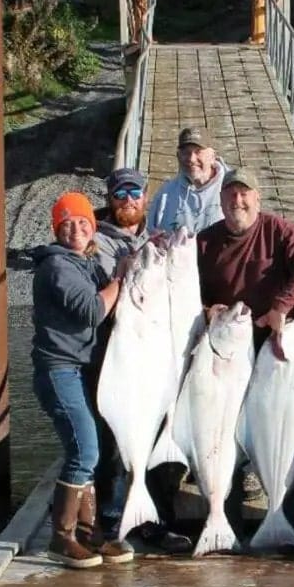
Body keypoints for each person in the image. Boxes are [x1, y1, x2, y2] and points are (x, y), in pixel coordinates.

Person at [197, 167, 294, 543]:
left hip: (272, 346)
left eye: (244, 195)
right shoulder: (206, 242)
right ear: (220, 200)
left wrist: (282, 307)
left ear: (257, 199)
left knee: (279, 432)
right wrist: (206, 310)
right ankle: (226, 525)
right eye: (230, 195)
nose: (237, 201)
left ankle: (287, 522)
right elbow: (188, 289)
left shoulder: (277, 230)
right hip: (227, 350)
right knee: (227, 434)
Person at [93, 168, 193, 555]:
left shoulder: (156, 241)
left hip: (152, 357)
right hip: (111, 358)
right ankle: (113, 521)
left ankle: (157, 522)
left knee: (157, 440)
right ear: (111, 199)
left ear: (146, 198)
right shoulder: (95, 242)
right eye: (120, 195)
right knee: (113, 446)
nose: (128, 200)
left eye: (135, 193)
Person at [31, 192, 133, 568]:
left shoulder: (85, 263)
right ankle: (62, 537)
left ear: (93, 226)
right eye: (67, 223)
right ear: (57, 229)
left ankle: (90, 533)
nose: (76, 229)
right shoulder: (58, 267)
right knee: (84, 449)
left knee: (92, 449)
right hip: (60, 369)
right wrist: (120, 279)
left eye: (83, 222)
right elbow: (93, 311)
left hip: (83, 368)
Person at [148, 126, 229, 234]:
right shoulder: (166, 193)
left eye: (198, 152)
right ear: (178, 156)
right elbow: (151, 234)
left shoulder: (232, 189)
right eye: (186, 152)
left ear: (212, 156)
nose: (191, 159)